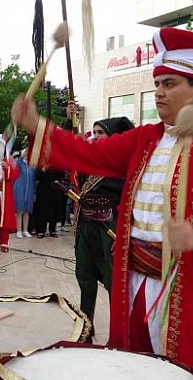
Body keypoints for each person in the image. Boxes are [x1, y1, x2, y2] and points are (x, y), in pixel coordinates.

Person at [12, 27, 193, 380]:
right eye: (158, 82)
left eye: (169, 83)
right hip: (133, 279)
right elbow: (90, 154)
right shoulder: (144, 139)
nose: (159, 91)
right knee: (133, 372)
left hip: (188, 283)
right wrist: (36, 125)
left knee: (188, 378)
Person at [73, 117, 133, 332]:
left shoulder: (123, 164)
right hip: (87, 228)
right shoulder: (91, 161)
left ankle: (120, 332)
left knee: (113, 283)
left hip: (109, 229)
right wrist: (71, 119)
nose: (96, 136)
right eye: (95, 132)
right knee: (85, 278)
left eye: (101, 132)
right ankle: (85, 327)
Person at [13, 148, 35, 238]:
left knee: (27, 211)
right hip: (19, 189)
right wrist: (22, 157)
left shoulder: (31, 165)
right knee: (20, 210)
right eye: (26, 153)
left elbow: (33, 180)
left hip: (29, 189)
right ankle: (19, 230)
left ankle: (25, 230)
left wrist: (34, 192)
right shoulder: (19, 163)